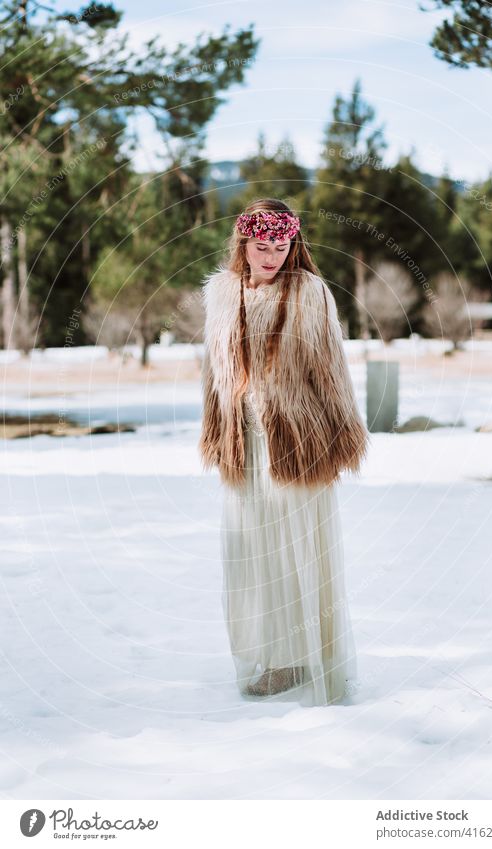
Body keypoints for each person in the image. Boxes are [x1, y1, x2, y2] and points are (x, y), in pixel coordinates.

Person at [199, 198, 369, 706]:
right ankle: (277, 658)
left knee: (298, 551)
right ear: (243, 245)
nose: (271, 256)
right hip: (242, 441)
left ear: (293, 244)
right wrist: (216, 429)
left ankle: (308, 657)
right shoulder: (222, 294)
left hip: (298, 440)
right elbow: (213, 372)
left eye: (281, 245)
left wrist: (341, 436)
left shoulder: (309, 292)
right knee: (253, 553)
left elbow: (332, 368)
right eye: (261, 246)